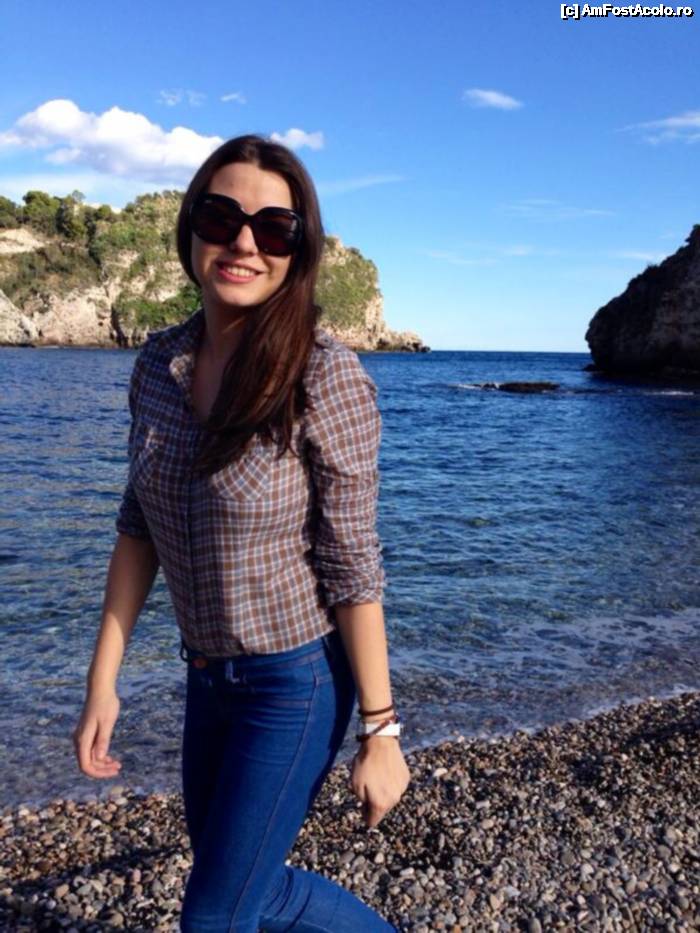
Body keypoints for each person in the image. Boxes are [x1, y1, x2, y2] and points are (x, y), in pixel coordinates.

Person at [72, 133, 410, 932]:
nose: (245, 243)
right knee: (251, 890)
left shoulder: (324, 377)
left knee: (213, 915)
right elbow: (137, 526)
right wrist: (102, 682)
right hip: (205, 678)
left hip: (293, 683)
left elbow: (354, 569)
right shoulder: (158, 366)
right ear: (192, 226)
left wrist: (381, 730)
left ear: (299, 248)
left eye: (274, 228)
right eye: (222, 218)